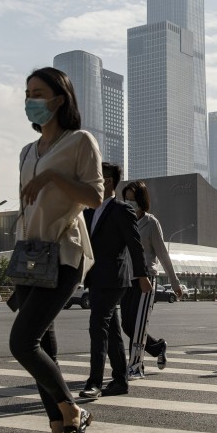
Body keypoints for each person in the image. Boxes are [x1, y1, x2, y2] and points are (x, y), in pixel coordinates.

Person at [11, 67, 102, 433]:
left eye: (38, 92)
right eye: (27, 92)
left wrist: (51, 176)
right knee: (42, 344)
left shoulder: (80, 141)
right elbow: (26, 208)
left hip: (64, 252)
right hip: (31, 254)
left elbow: (96, 196)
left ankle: (73, 411)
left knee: (21, 342)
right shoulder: (27, 151)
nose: (30, 99)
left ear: (59, 99)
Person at [79, 162, 150, 400]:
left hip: (114, 279)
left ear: (107, 181)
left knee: (97, 326)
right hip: (95, 277)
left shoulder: (122, 210)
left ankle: (94, 382)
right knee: (112, 331)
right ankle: (120, 380)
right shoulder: (88, 210)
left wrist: (142, 276)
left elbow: (135, 246)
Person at [121, 180, 183, 379]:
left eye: (133, 200)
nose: (130, 204)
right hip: (126, 280)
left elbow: (163, 255)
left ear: (142, 201)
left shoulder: (150, 222)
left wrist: (174, 284)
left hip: (146, 279)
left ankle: (135, 366)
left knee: (138, 325)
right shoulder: (122, 220)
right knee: (127, 326)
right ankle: (157, 347)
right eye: (127, 199)